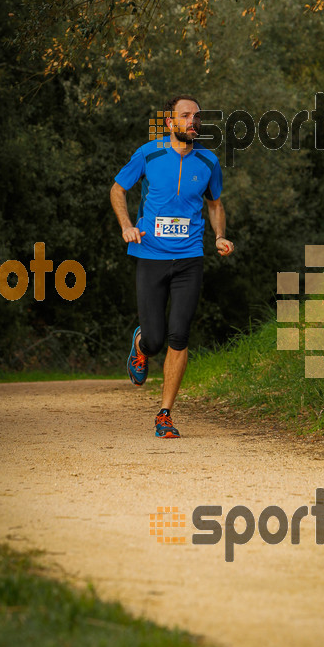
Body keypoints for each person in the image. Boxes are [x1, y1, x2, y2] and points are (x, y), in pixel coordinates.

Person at [110, 95, 234, 438]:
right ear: (170, 122)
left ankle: (165, 413)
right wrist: (126, 226)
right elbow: (118, 190)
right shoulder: (148, 154)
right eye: (186, 115)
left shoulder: (208, 161)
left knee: (179, 335)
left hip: (190, 258)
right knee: (154, 339)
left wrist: (219, 235)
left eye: (197, 116)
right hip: (150, 255)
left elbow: (215, 204)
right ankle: (141, 347)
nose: (194, 120)